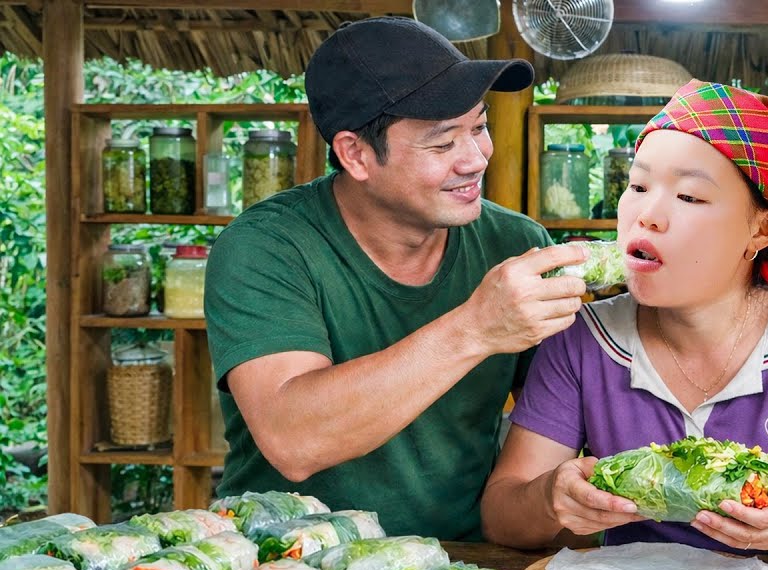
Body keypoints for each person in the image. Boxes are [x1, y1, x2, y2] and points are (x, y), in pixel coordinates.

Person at [481, 80, 768, 560]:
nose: (647, 215)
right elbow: (502, 514)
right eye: (638, 186)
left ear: (762, 228)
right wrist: (550, 499)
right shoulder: (585, 337)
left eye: (688, 197)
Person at [204, 17, 588, 538]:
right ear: (356, 155)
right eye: (441, 143)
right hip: (284, 566)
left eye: (478, 127)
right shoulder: (265, 247)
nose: (475, 160)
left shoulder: (517, 244)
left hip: (464, 566)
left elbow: (560, 414)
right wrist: (475, 328)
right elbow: (294, 440)